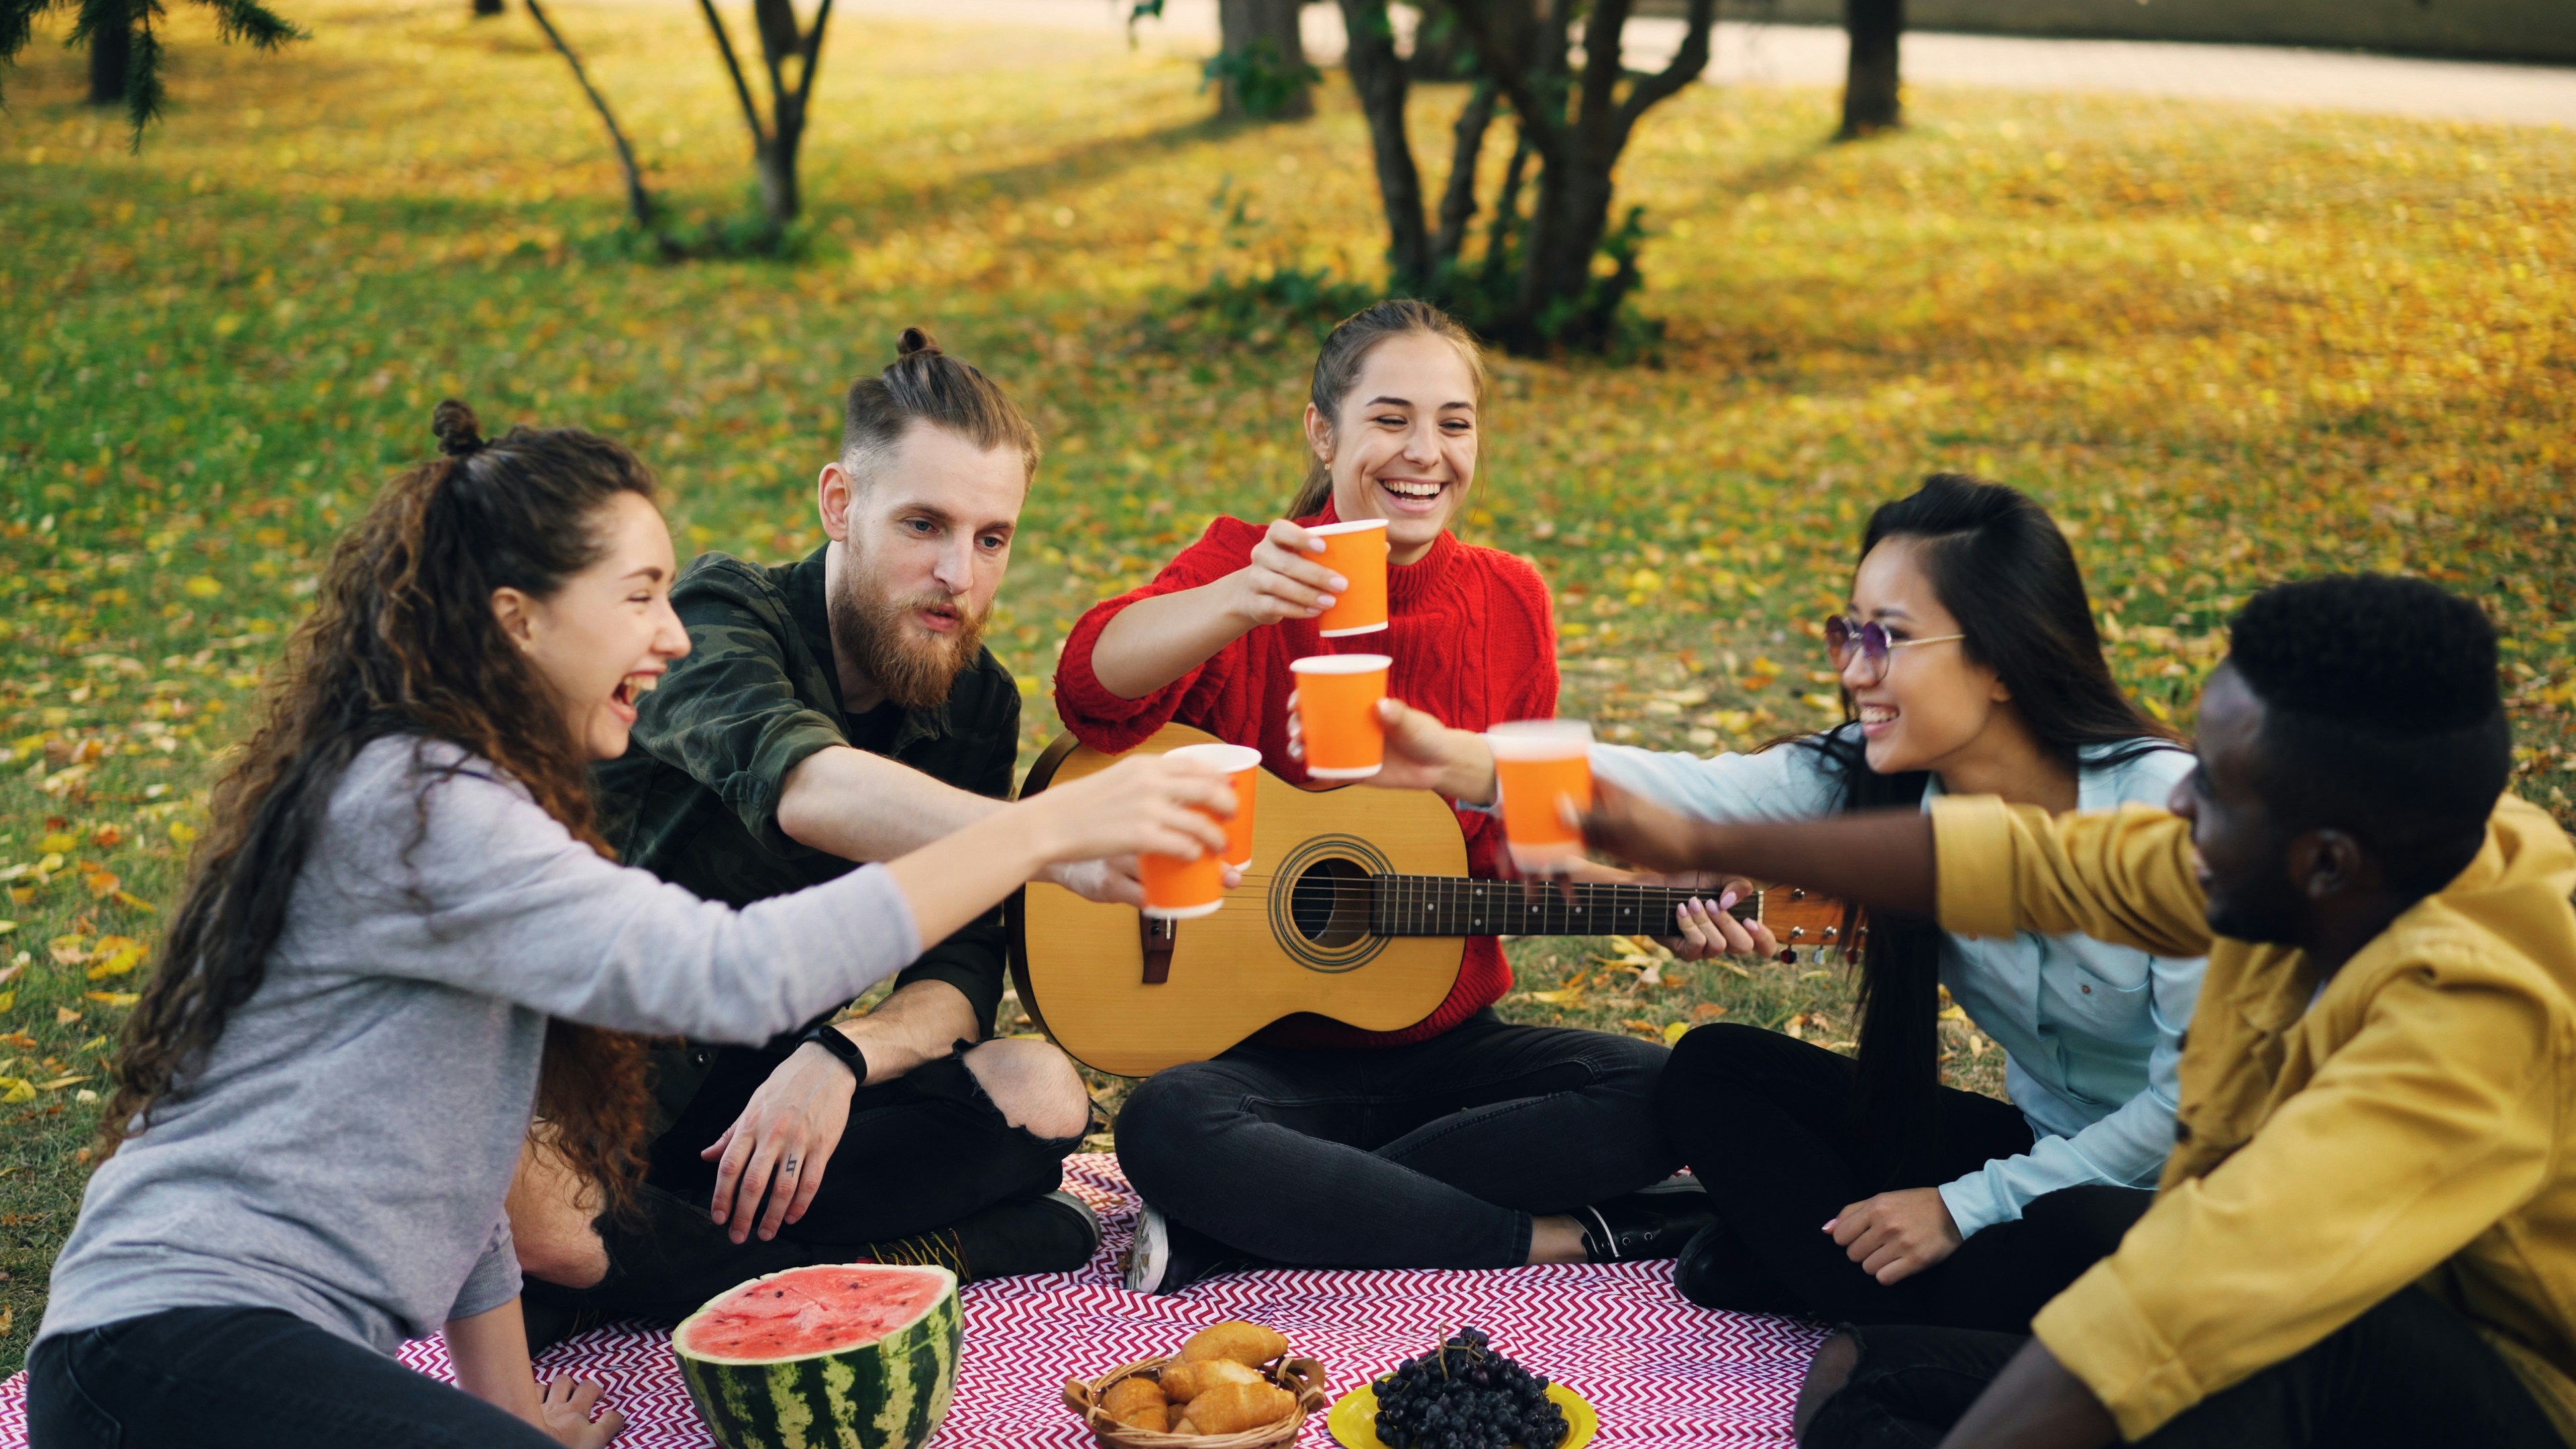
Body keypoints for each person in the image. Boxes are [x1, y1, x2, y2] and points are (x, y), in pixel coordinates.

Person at [25, 404, 1236, 1449]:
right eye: (641, 598)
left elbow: (468, 1162)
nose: (669, 635)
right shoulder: (424, 807)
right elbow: (737, 975)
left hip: (212, 1358)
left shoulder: (469, 799)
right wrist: (1033, 838)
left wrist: (505, 1413)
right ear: (519, 621)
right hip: (159, 1354)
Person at [1578, 574, 2576, 1449]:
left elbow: (2195, 1290)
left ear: (2324, 863)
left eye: (2215, 792)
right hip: (2263, 1293)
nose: (2178, 809)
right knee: (1866, 1384)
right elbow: (2025, 862)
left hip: (2487, 1388)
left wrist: (1972, 1226)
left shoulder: (2469, 1015)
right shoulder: (2367, 853)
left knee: (2270, 1337)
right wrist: (1693, 833)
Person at [1358, 475, 2198, 1331]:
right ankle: (1908, 1304)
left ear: (2002, 660)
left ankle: (1869, 1300)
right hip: (2041, 1151)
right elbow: (1692, 791)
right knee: (1716, 1070)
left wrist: (1962, 1207)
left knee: (2070, 1233)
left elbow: (2189, 1108)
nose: (1854, 669)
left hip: (2187, 1187)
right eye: (1849, 632)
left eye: (1891, 639)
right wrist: (1457, 762)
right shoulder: (1880, 781)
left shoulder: (2168, 816)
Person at [1054, 299, 1697, 1297]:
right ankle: (1548, 1241)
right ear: (1324, 431)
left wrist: (1660, 897)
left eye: (1454, 422)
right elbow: (1090, 688)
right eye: (1391, 419)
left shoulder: (1510, 598)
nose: (1424, 453)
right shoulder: (1251, 563)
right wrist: (1241, 600)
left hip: (1449, 1060)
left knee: (1672, 1091)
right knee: (1166, 1126)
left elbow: (1531, 840)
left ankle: (1265, 1219)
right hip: (1260, 1070)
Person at [508, 329, 1129, 1345]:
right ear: (840, 504)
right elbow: (806, 786)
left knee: (1043, 1089)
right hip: (577, 1099)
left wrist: (841, 1055)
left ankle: (706, 1278)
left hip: (763, 1125)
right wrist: (1057, 835)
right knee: (545, 1222)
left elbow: (961, 969)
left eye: (990, 538)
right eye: (923, 524)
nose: (956, 575)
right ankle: (920, 1257)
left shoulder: (975, 703)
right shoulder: (714, 617)